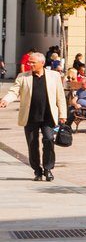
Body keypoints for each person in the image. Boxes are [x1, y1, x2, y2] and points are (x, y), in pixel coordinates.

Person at [0, 51, 68, 181]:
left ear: (42, 63)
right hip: (30, 116)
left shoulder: (54, 76)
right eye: (29, 62)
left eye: (32, 62)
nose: (29, 64)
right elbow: (14, 92)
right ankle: (37, 170)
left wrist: (62, 114)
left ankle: (48, 169)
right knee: (32, 144)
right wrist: (6, 100)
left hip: (49, 116)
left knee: (48, 140)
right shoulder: (22, 77)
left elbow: (60, 97)